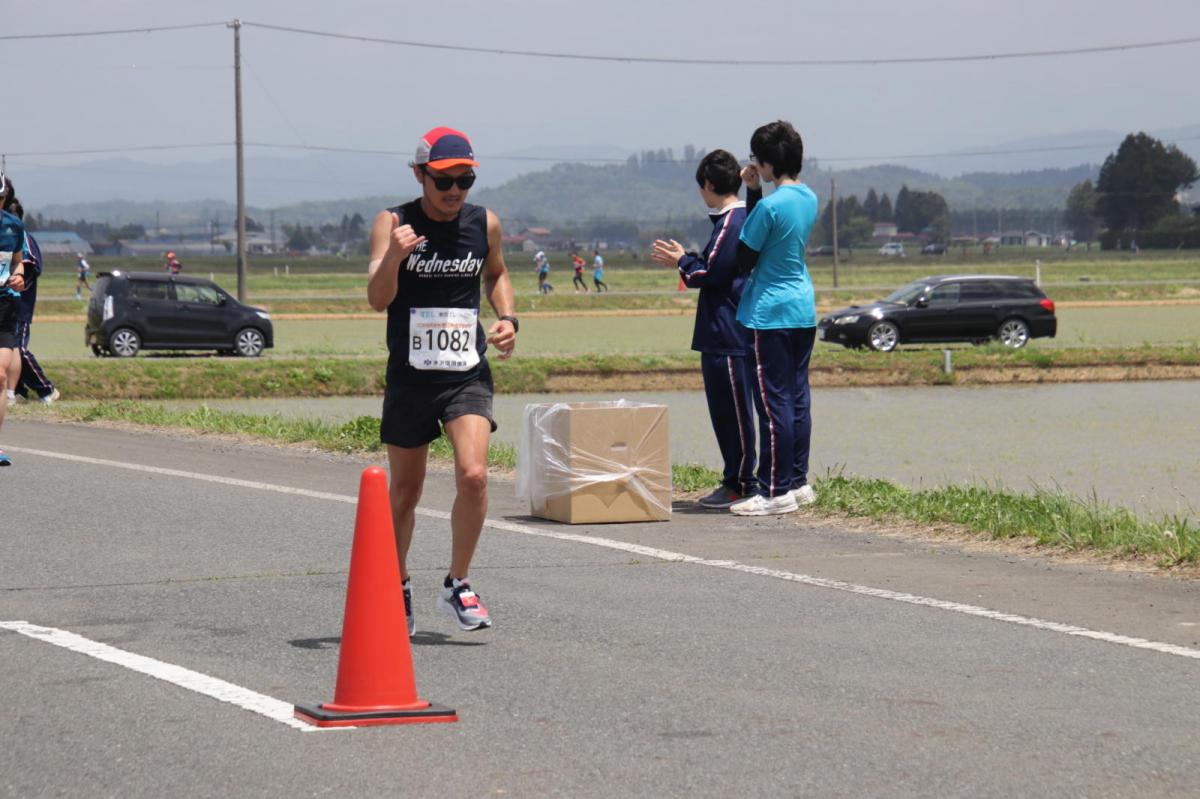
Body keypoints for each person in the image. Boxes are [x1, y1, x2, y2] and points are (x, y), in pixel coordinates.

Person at [367, 126, 517, 637]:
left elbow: (495, 273)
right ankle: (397, 584)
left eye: (465, 180)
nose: (455, 191)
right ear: (420, 175)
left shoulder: (484, 223)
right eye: (444, 180)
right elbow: (377, 298)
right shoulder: (393, 222)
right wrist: (394, 256)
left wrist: (508, 317)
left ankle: (457, 582)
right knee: (406, 491)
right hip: (410, 377)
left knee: (474, 475)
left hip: (465, 372)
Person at [651, 149, 756, 508]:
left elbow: (708, 274)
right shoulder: (740, 217)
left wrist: (681, 259)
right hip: (725, 329)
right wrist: (689, 259)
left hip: (727, 332)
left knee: (733, 412)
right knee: (728, 410)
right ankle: (737, 477)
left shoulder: (731, 222)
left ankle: (741, 482)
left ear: (708, 185)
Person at [729, 120, 820, 516]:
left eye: (756, 160)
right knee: (797, 398)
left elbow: (743, 258)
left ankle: (773, 490)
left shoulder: (768, 206)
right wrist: (757, 190)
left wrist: (752, 194)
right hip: (802, 307)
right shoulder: (809, 198)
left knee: (771, 403)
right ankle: (797, 482)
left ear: (766, 163)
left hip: (769, 312)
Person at [3, 198, 58, 405]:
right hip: (6, 302)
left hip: (19, 305)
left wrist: (17, 281)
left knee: (19, 349)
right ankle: (17, 391)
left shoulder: (22, 237)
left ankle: (45, 390)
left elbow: (31, 266)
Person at [0, 175, 29, 465]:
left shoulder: (13, 225)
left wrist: (18, 274)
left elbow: (18, 258)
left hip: (4, 305)